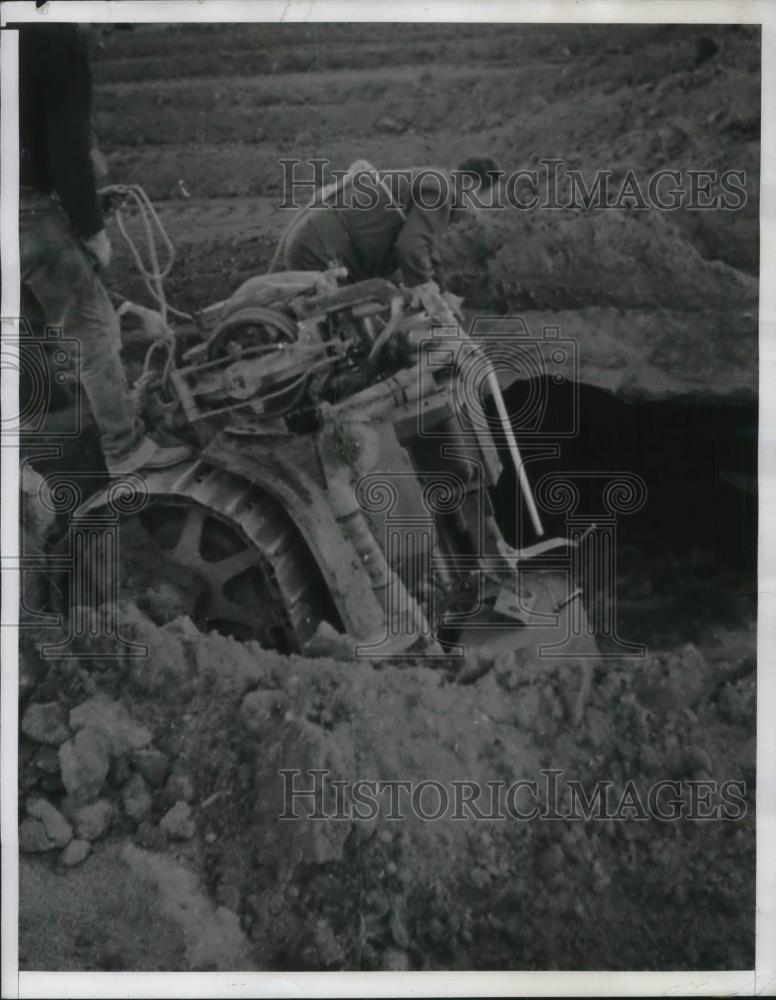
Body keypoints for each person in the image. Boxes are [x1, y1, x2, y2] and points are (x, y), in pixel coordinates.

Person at [19, 23, 191, 475]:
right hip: (23, 207)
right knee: (92, 333)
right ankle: (124, 449)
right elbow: (67, 147)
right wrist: (92, 229)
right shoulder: (58, 38)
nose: (104, 37)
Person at [283, 157, 499, 289]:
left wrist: (438, 288)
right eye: (482, 204)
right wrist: (426, 290)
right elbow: (411, 247)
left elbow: (425, 250)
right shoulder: (442, 191)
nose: (476, 215)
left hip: (322, 242)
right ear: (473, 184)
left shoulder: (437, 183)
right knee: (349, 340)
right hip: (321, 248)